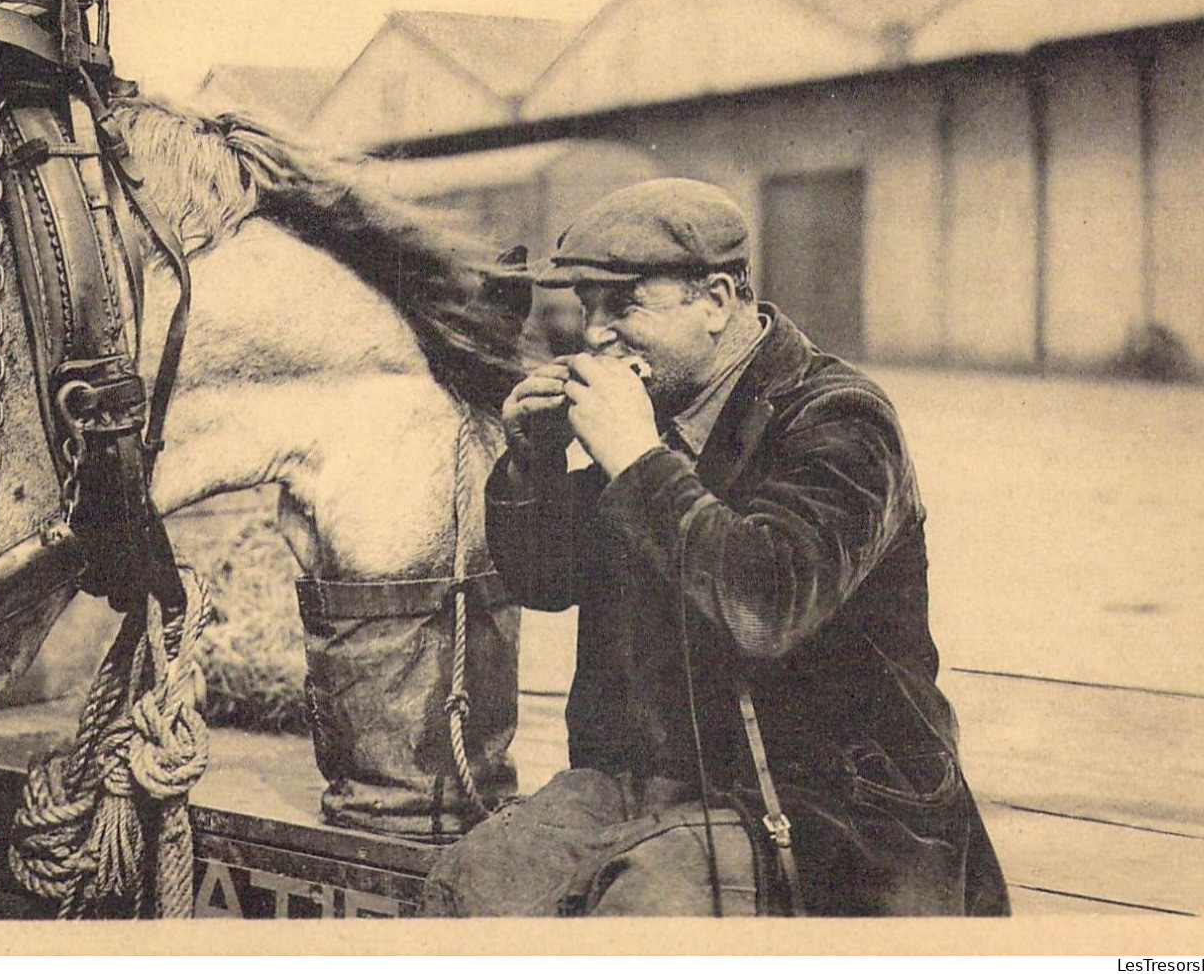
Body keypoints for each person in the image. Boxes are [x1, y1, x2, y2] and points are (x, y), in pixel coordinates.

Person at [421, 178, 1009, 918]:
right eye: (586, 306)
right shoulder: (656, 411)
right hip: (645, 785)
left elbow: (766, 604)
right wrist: (531, 460)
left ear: (718, 300)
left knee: (643, 907)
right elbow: (543, 579)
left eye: (625, 303)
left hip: (836, 808)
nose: (594, 332)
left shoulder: (841, 418)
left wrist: (636, 459)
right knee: (470, 884)